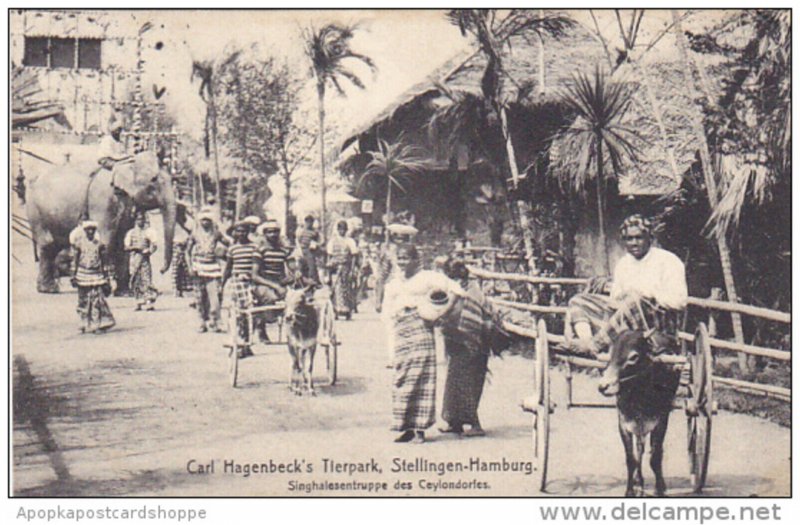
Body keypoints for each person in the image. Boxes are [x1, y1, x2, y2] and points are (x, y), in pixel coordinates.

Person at [564, 214, 688, 356]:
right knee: (578, 301)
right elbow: (614, 301)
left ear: (650, 238)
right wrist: (620, 300)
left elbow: (680, 302)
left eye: (639, 237)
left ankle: (595, 345)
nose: (634, 243)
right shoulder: (623, 264)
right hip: (625, 321)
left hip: (658, 326)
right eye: (629, 239)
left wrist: (649, 294)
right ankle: (586, 342)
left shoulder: (668, 261)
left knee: (635, 299)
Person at [438, 258, 507, 437]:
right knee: (454, 380)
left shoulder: (471, 291)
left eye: (454, 275)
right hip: (459, 340)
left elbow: (472, 317)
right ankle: (455, 423)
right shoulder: (458, 288)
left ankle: (476, 425)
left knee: (469, 382)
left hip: (475, 342)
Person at [221, 221, 260, 357]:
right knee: (238, 314)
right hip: (236, 282)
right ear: (234, 233)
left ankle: (247, 343)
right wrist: (222, 284)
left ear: (248, 232)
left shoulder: (254, 247)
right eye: (238, 231)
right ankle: (239, 343)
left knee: (251, 314)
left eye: (244, 231)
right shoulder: (232, 249)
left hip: (251, 282)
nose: (241, 233)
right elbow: (228, 268)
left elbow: (257, 266)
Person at [186, 208, 228, 332]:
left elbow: (228, 243)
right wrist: (190, 267)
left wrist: (224, 253)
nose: (205, 222)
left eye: (208, 220)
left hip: (213, 267)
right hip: (198, 267)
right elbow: (187, 252)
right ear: (199, 221)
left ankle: (214, 321)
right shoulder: (194, 234)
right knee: (199, 297)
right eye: (203, 220)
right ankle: (201, 322)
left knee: (215, 297)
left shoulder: (216, 233)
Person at [71, 220, 115, 333]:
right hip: (82, 274)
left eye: (92, 230)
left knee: (97, 300)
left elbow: (104, 262)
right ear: (85, 231)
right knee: (83, 300)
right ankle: (83, 323)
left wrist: (106, 277)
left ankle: (96, 324)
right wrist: (73, 275)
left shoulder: (99, 245)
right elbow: (75, 260)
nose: (90, 231)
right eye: (88, 230)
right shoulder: (79, 243)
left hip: (96, 275)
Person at [251, 220, 289, 342]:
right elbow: (254, 275)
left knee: (296, 300)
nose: (273, 235)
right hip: (262, 284)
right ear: (265, 234)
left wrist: (294, 275)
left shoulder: (282, 251)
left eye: (276, 232)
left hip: (278, 284)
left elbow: (286, 270)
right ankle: (261, 327)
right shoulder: (260, 250)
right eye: (270, 232)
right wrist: (275, 286)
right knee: (271, 298)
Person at [124, 211, 159, 311]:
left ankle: (149, 302)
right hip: (134, 259)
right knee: (135, 280)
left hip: (144, 259)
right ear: (135, 221)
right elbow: (126, 247)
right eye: (138, 219)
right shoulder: (131, 233)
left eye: (142, 219)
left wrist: (149, 251)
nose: (141, 221)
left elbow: (154, 245)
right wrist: (135, 247)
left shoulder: (149, 232)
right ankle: (138, 302)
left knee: (146, 279)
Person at [327, 220, 359, 320]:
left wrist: (352, 270)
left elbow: (354, 256)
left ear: (346, 230)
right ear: (338, 230)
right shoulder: (332, 241)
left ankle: (347, 311)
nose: (342, 231)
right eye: (340, 229)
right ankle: (336, 311)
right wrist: (328, 269)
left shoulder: (350, 241)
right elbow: (329, 256)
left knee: (346, 289)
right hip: (335, 268)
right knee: (335, 289)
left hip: (346, 268)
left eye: (344, 229)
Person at [296, 215, 321, 284]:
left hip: (310, 250)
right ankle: (300, 282)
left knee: (311, 266)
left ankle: (312, 281)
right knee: (300, 266)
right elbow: (298, 240)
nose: (309, 224)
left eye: (311, 222)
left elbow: (319, 241)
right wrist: (299, 249)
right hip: (302, 249)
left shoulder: (315, 232)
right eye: (307, 222)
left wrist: (315, 245)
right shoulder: (301, 231)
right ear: (305, 222)